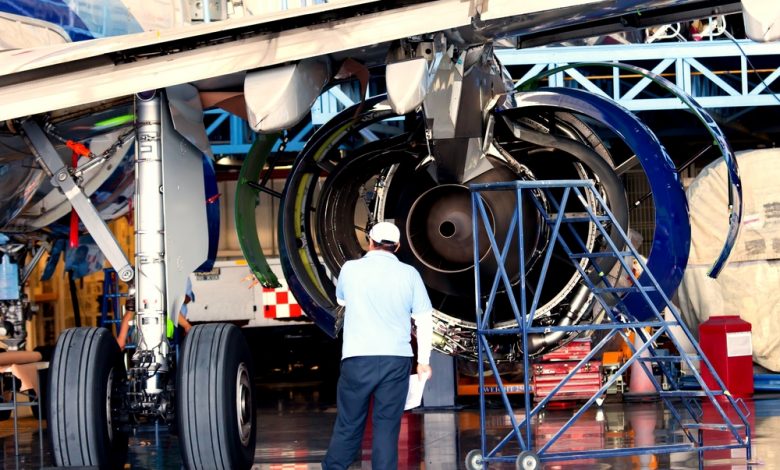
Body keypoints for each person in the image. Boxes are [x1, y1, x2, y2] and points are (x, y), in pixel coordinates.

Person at [322, 221, 433, 470]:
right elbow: (425, 319)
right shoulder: (409, 274)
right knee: (386, 427)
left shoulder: (350, 269)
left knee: (349, 424)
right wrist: (423, 361)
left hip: (357, 358)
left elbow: (341, 298)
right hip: (396, 361)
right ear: (398, 246)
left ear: (369, 241)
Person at [117, 277, 194, 350]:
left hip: (168, 328)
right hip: (146, 331)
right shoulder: (142, 286)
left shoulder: (163, 289)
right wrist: (121, 338)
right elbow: (130, 312)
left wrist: (186, 326)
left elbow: (173, 309)